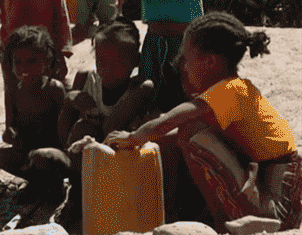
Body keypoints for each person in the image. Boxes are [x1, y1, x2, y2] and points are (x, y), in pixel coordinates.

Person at [106, 12, 302, 233]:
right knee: (189, 135)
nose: (185, 69)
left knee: (192, 133)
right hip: (279, 189)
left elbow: (167, 123)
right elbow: (170, 135)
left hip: (278, 201)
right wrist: (144, 143)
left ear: (209, 62)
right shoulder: (235, 92)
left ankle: (232, 219)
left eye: (188, 62)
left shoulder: (227, 91)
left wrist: (132, 138)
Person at [0, 25, 70, 202]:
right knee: (1, 157)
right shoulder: (13, 93)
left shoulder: (53, 89)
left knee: (42, 157)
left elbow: (67, 130)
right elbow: (9, 129)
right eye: (18, 62)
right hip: (28, 154)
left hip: (54, 155)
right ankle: (37, 184)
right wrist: (11, 134)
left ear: (46, 61)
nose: (23, 67)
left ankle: (54, 185)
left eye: (31, 61)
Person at [58, 17, 154, 149]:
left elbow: (111, 128)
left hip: (118, 159)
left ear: (136, 59)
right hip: (84, 154)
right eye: (102, 61)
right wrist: (71, 100)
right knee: (82, 128)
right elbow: (67, 119)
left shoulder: (139, 88)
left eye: (117, 62)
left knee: (85, 128)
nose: (108, 69)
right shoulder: (85, 78)